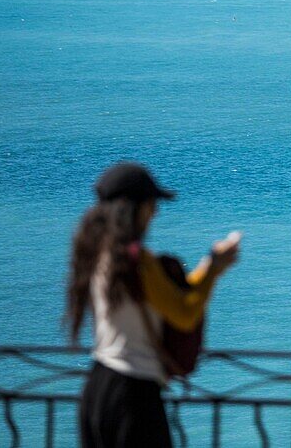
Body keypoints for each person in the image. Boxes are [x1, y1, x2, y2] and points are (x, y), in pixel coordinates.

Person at [67, 162, 241, 448]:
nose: (155, 212)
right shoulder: (139, 262)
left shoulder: (98, 255)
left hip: (97, 391)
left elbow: (165, 298)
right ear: (133, 209)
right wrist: (213, 272)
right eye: (150, 205)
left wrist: (210, 267)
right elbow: (184, 314)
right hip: (133, 394)